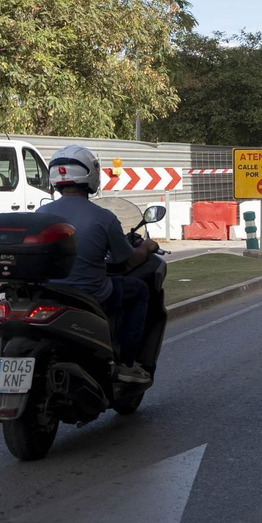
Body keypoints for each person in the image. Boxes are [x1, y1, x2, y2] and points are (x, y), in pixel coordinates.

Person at [44, 144, 159, 384]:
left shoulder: (40, 213)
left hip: (49, 294)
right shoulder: (104, 218)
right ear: (90, 174)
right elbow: (128, 261)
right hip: (91, 294)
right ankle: (127, 363)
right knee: (139, 291)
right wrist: (148, 247)